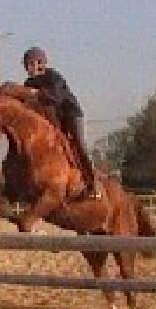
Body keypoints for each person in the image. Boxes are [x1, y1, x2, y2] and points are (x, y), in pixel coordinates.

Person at [21, 46, 101, 198]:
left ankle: (93, 183)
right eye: (26, 65)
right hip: (53, 119)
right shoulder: (29, 83)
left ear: (41, 63)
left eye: (30, 64)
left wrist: (36, 93)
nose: (28, 68)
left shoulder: (54, 77)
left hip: (71, 114)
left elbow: (56, 98)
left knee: (78, 144)